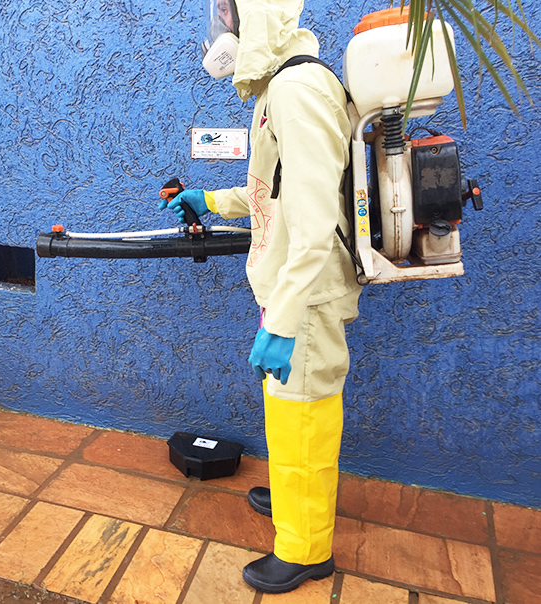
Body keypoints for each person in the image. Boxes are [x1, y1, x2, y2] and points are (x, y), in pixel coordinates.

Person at [160, 0, 362, 594]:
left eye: (227, 12)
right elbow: (273, 192)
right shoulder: (283, 87)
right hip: (291, 290)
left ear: (257, 15)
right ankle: (295, 497)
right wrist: (209, 200)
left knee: (304, 410)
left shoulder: (297, 90)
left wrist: (284, 320)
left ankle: (305, 549)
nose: (220, 26)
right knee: (287, 408)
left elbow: (316, 222)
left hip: (306, 296)